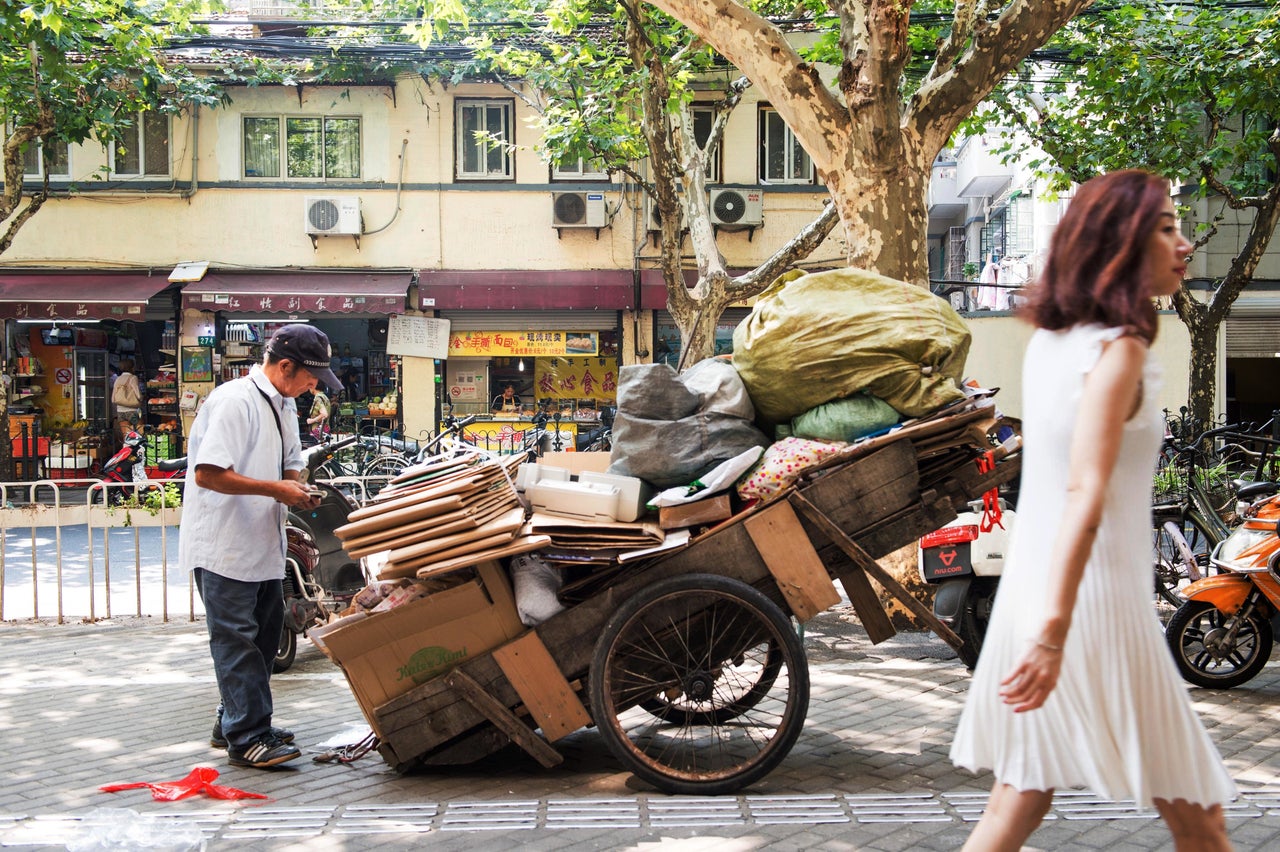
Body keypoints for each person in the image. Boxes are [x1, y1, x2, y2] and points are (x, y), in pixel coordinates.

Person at [950, 170, 1235, 851]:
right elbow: (1086, 490)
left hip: (1040, 595)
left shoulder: (1053, 342)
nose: (1186, 242)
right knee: (1200, 818)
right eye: (1168, 226)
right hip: (1091, 610)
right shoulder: (1120, 349)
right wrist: (1053, 634)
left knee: (1014, 806)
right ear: (1124, 242)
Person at [178, 324, 341, 769]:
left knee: (266, 639)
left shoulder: (285, 404)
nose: (314, 387)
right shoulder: (235, 401)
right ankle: (247, 735)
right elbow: (208, 473)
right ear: (284, 366)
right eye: (310, 377)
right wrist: (277, 491)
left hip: (264, 543)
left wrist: (300, 490)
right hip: (224, 545)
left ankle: (235, 717)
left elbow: (291, 467)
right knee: (237, 642)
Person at [111, 358, 144, 443]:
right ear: (132, 367)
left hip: (121, 411)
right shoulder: (133, 378)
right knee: (138, 433)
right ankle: (137, 452)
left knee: (126, 435)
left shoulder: (118, 379)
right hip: (133, 410)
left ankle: (126, 452)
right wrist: (142, 398)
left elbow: (113, 397)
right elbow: (138, 394)